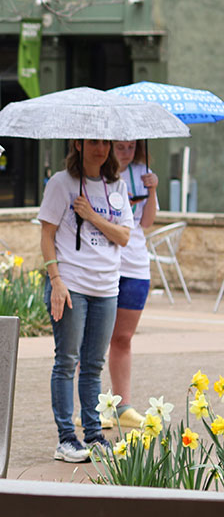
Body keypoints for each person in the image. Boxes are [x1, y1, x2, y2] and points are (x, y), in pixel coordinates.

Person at [38, 139, 133, 463]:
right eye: (93, 141)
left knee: (93, 365)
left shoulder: (116, 185)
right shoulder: (60, 184)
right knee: (66, 361)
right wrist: (56, 282)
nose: (101, 148)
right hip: (72, 284)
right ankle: (66, 438)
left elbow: (123, 236)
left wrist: (92, 215)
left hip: (107, 287)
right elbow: (46, 235)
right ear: (78, 144)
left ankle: (93, 435)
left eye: (106, 142)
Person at [106, 139, 158, 430]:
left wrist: (152, 190)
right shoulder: (100, 176)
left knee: (123, 337)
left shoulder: (142, 172)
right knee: (93, 339)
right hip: (106, 263)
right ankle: (93, 405)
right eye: (120, 147)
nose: (125, 153)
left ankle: (122, 404)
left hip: (136, 263)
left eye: (130, 147)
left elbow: (147, 222)